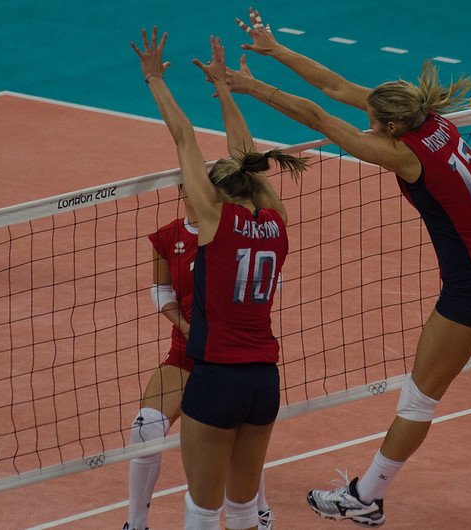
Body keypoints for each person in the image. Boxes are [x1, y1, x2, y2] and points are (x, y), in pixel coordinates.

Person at [225, 7, 471, 529]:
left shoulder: (404, 153)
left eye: (374, 121)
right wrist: (275, 52)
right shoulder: (429, 118)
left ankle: (366, 497)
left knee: (419, 400)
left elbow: (321, 115)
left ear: (389, 126)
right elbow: (341, 87)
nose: (368, 122)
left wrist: (247, 87)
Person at [131, 28, 308, 529]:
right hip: (264, 381)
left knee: (203, 512)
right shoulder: (276, 223)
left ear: (214, 193)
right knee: (245, 509)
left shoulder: (214, 224)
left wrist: (154, 80)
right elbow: (248, 153)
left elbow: (183, 135)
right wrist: (227, 90)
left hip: (217, 379)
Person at [125, 186, 273, 530]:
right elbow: (160, 290)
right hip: (187, 350)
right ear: (181, 190)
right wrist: (187, 327)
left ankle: (260, 512)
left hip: (230, 351)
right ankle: (136, 524)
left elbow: (269, 279)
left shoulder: (234, 231)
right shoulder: (169, 236)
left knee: (238, 430)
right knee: (145, 429)